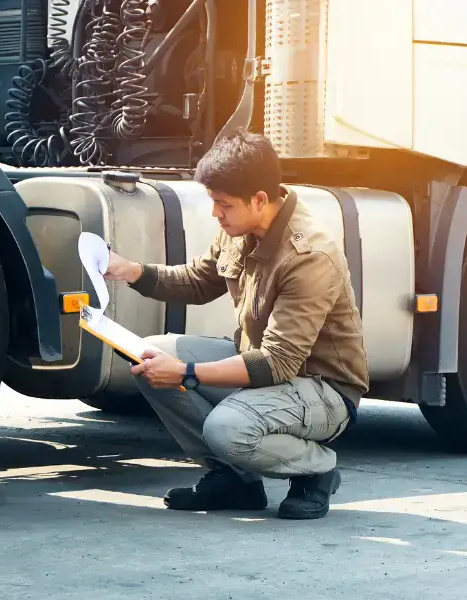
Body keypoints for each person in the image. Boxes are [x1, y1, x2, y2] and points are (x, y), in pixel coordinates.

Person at [103, 128, 369, 520]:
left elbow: (276, 364)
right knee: (148, 356)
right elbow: (197, 280)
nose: (215, 213)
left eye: (222, 204)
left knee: (226, 428)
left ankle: (318, 470)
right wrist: (131, 271)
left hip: (323, 389)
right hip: (265, 368)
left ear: (259, 199)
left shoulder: (309, 255)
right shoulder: (243, 229)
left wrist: (186, 373)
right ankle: (234, 480)